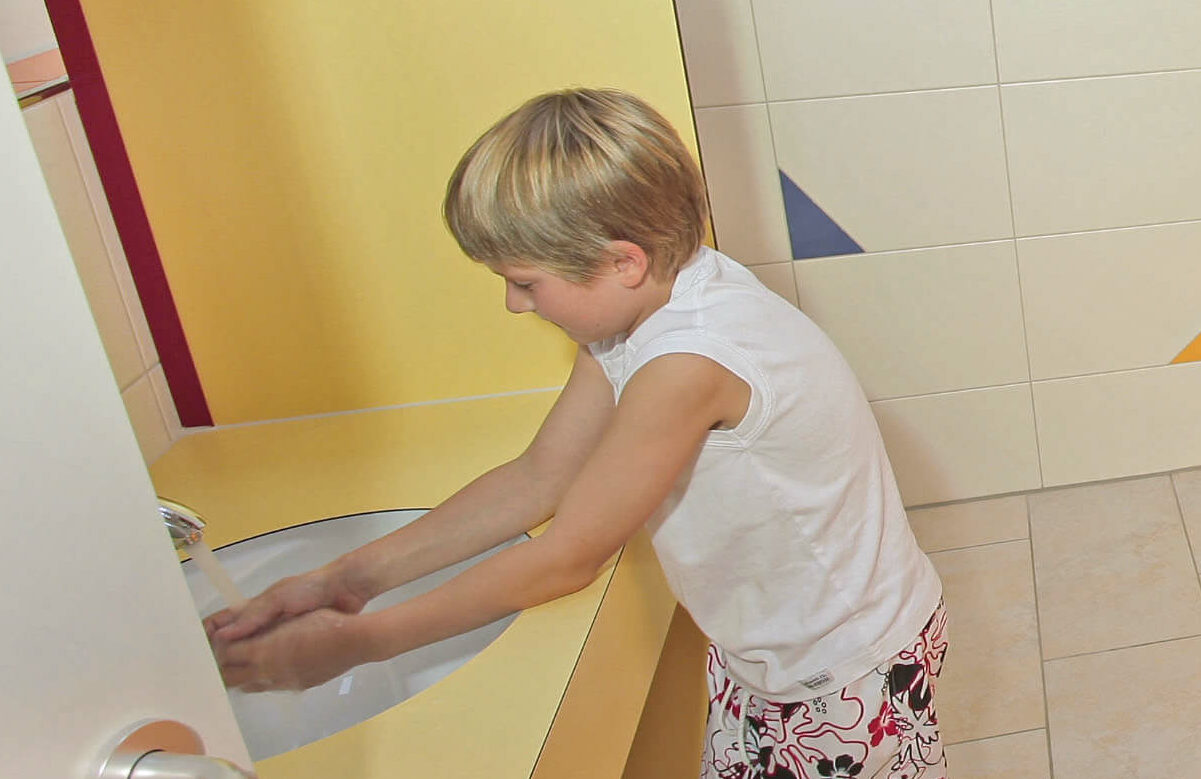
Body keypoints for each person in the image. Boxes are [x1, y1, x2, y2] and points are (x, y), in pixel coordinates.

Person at [206, 87, 948, 779]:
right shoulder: (646, 310)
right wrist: (342, 581)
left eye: (526, 281)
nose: (513, 304)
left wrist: (358, 643)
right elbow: (540, 478)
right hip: (782, 650)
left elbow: (569, 555)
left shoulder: (689, 360)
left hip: (841, 670)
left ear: (621, 261)